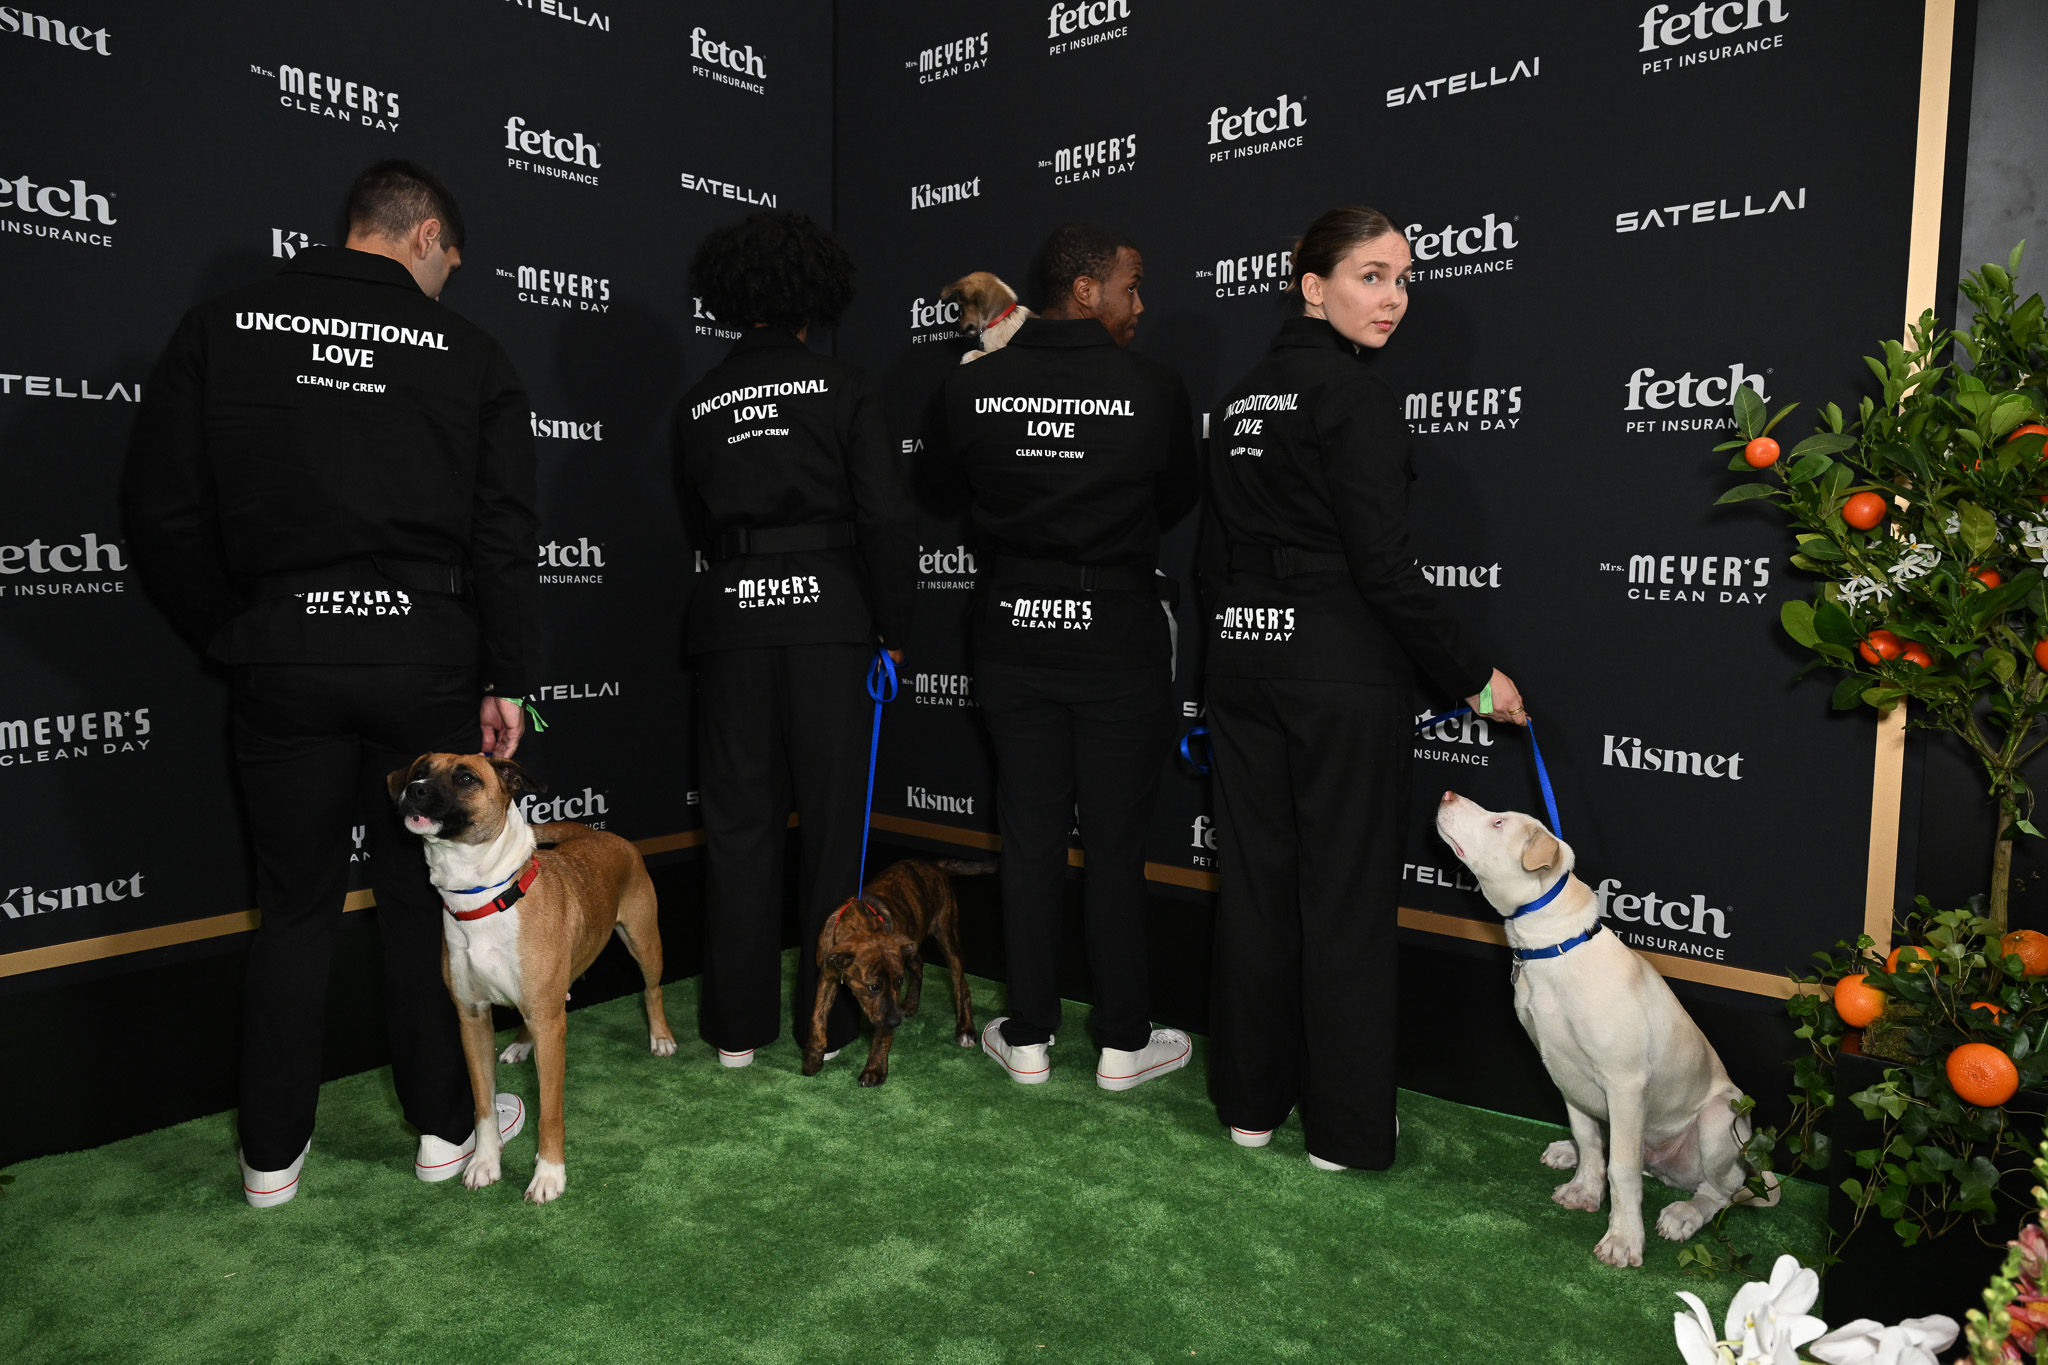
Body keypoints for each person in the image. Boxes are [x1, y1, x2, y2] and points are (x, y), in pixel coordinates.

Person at [121, 160, 538, 1205]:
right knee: (418, 905)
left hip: (283, 654)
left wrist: (235, 627)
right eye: (452, 259)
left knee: (294, 907)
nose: (451, 277)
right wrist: (508, 675)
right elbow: (505, 536)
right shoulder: (471, 352)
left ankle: (270, 1157)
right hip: (424, 655)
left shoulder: (225, 325)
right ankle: (447, 1130)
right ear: (426, 234)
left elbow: (160, 509)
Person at [1198, 205, 1527, 1171]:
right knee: (1341, 899)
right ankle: (1344, 1130)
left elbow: (1208, 561)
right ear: (1314, 285)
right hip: (1335, 672)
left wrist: (1208, 675)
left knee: (1256, 889)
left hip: (1243, 667)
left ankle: (1249, 1105)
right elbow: (1384, 569)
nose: (1394, 298)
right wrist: (1473, 676)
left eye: (1405, 279)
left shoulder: (1245, 395)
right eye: (1373, 276)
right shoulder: (1355, 397)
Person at [934, 221, 1199, 1090]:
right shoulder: (1155, 387)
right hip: (1115, 627)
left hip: (1013, 624)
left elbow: (935, 491)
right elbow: (1174, 502)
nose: (1140, 301)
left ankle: (1032, 1039)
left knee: (1032, 835)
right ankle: (1124, 1044)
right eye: (1132, 283)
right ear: (1085, 289)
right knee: (1118, 845)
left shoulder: (973, 387)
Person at [673, 211, 915, 1069]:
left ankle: (737, 1031)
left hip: (730, 621)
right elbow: (885, 517)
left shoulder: (700, 399)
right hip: (830, 621)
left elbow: (695, 518)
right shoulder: (845, 386)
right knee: (834, 826)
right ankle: (839, 1023)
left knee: (736, 827)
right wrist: (893, 627)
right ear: (814, 297)